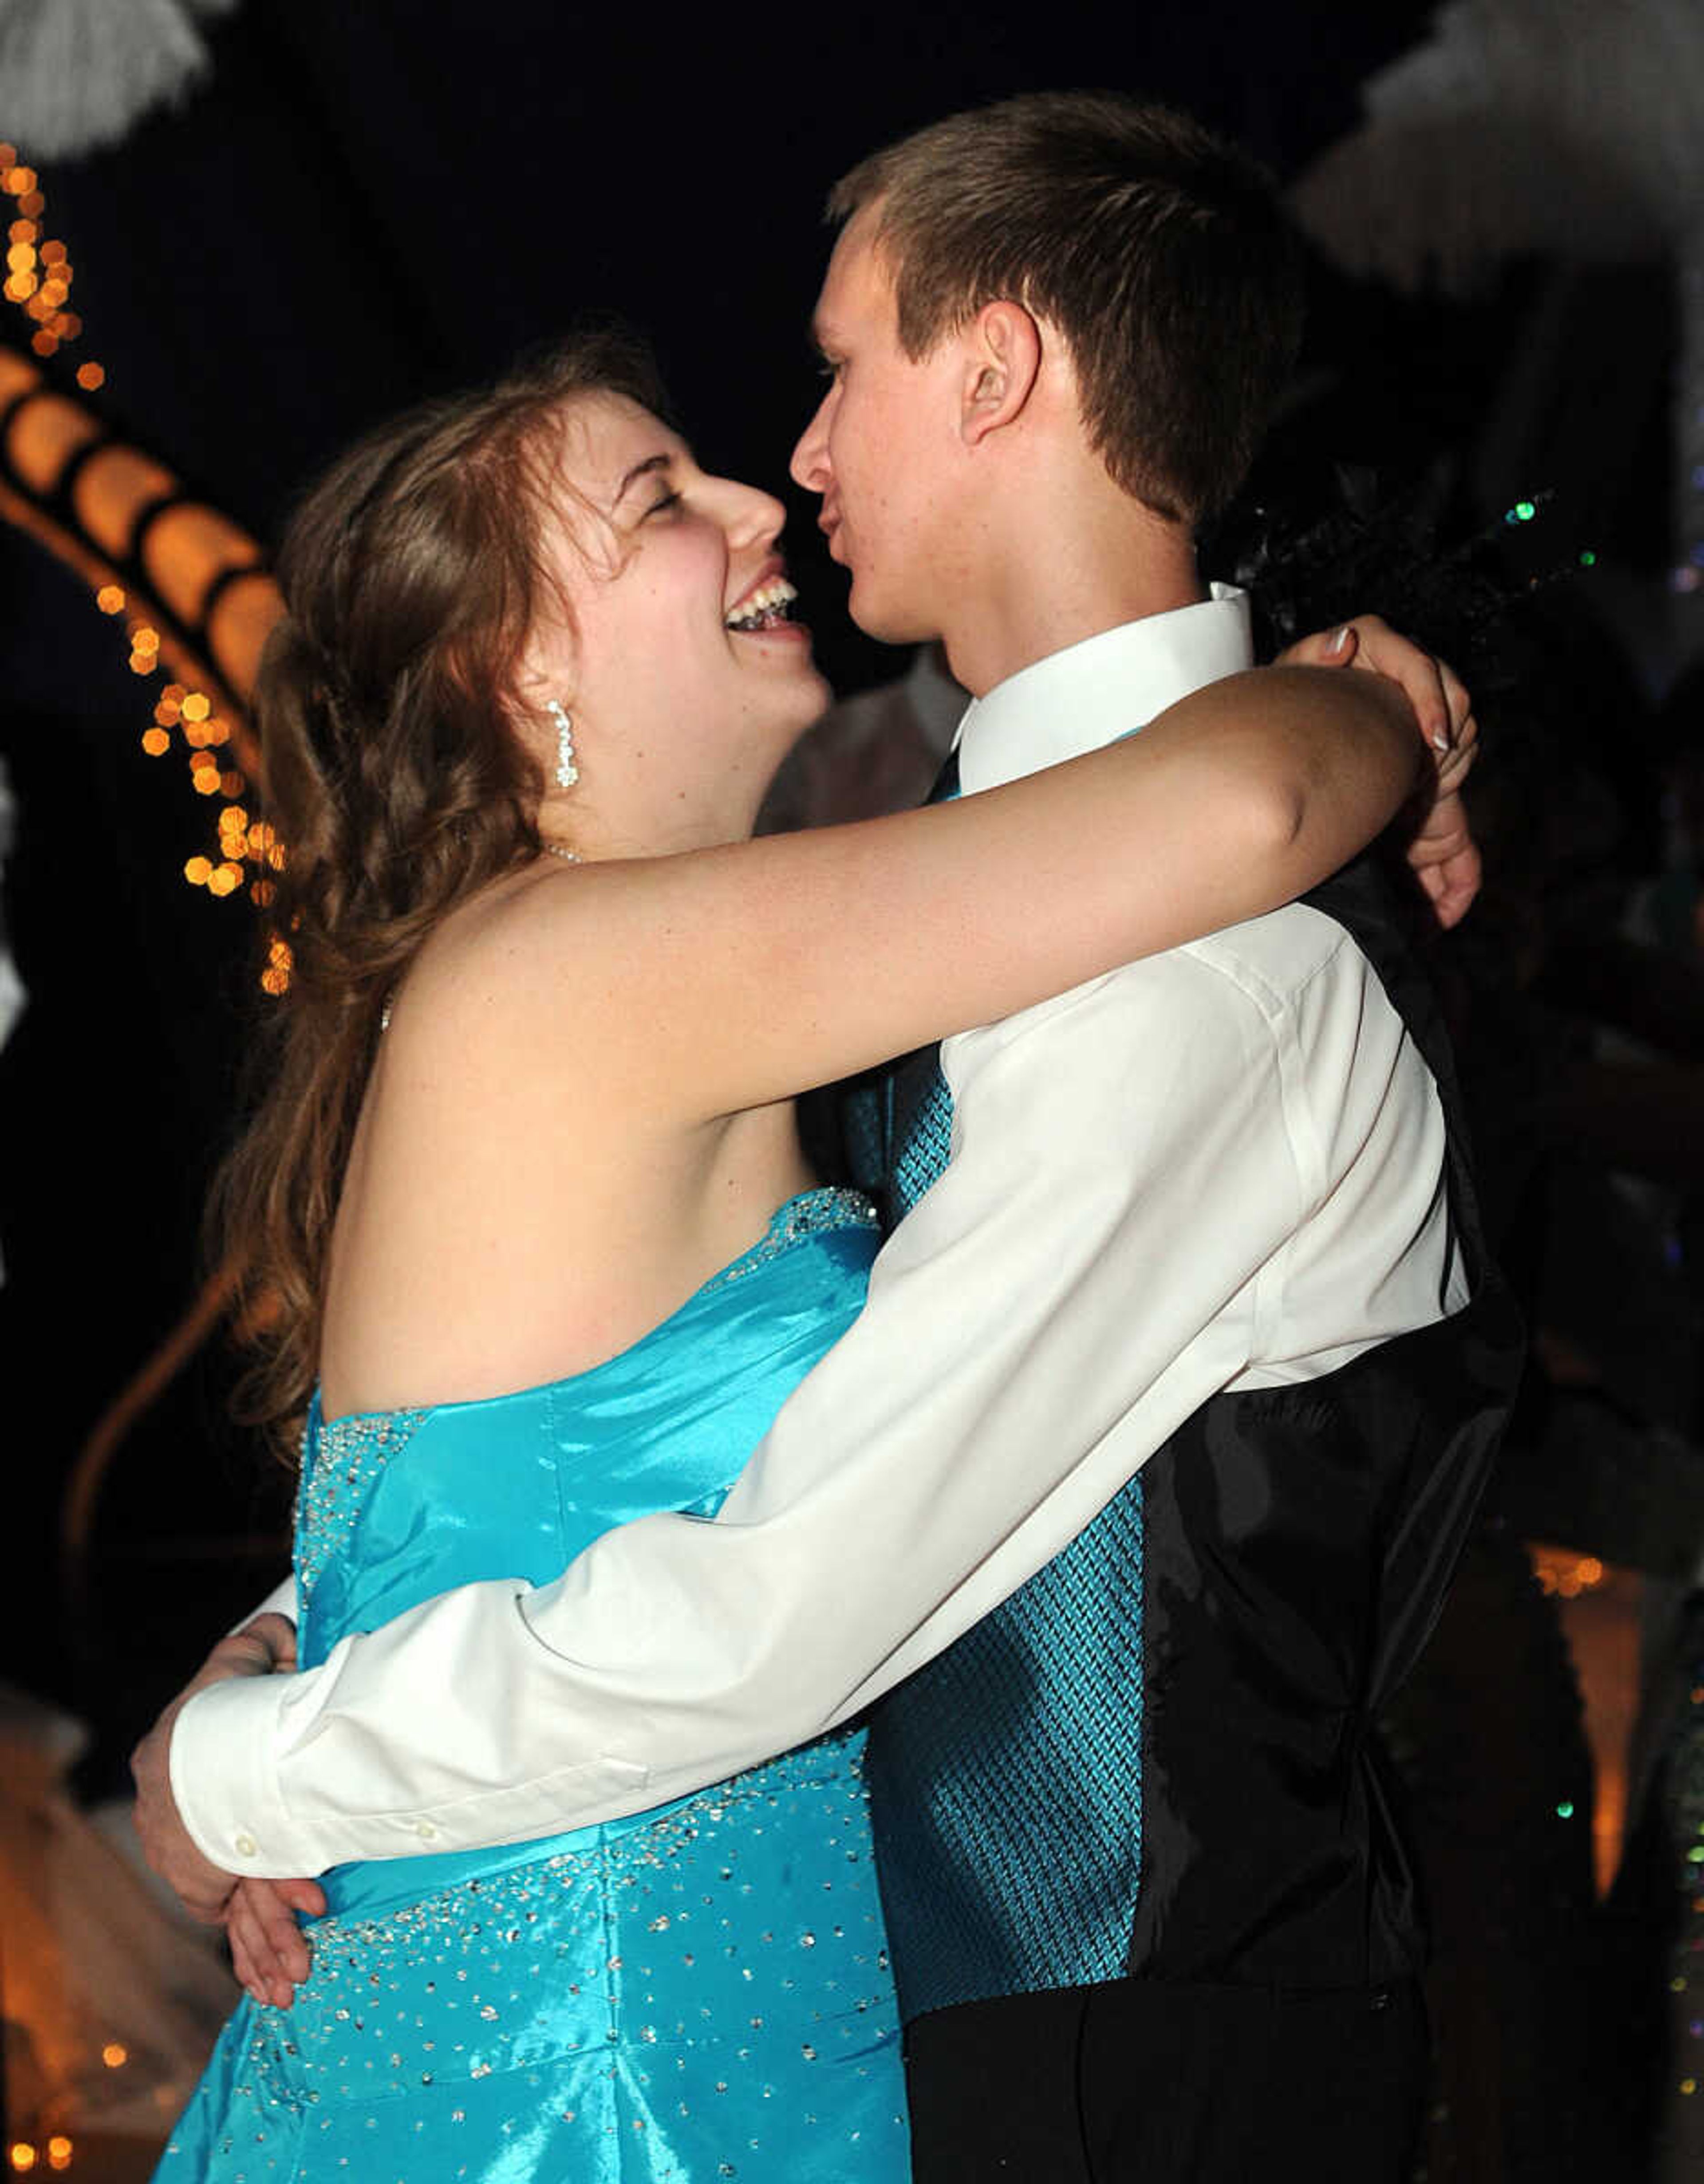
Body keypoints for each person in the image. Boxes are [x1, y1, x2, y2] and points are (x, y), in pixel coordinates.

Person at [135, 94, 1508, 2181]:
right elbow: (1223, 809)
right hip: (599, 2036)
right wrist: (1360, 703)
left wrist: (263, 1741)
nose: (785, 471)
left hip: (1023, 2033)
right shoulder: (628, 966)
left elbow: (733, 1570)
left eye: (837, 369)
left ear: (999, 368)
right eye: (661, 497)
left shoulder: (1103, 957)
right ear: (523, 665)